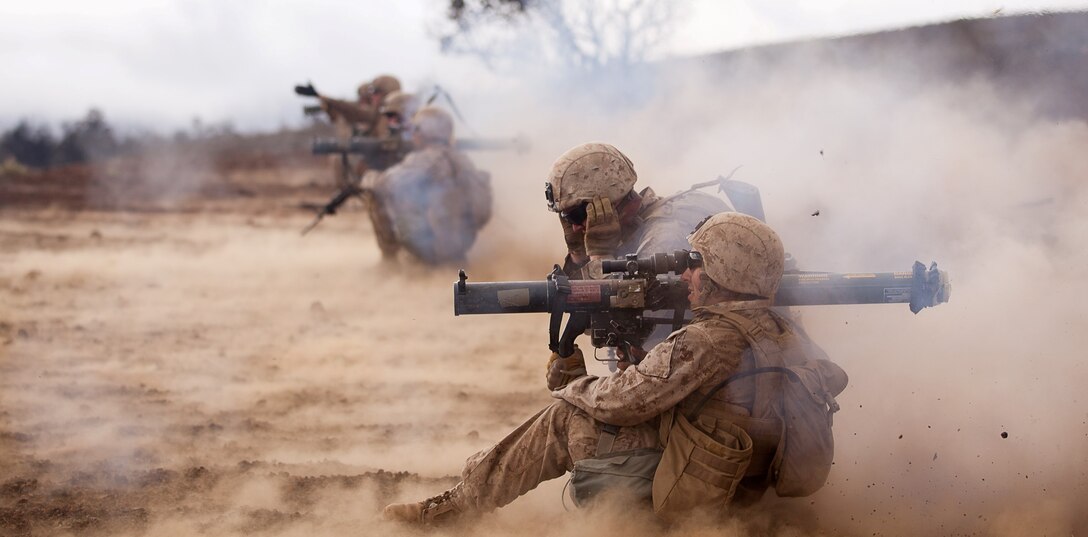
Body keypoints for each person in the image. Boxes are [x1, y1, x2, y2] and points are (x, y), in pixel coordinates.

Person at [382, 212, 840, 525]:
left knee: (568, 418)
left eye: (695, 265)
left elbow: (622, 402)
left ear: (724, 274)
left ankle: (454, 510)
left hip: (700, 493)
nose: (685, 276)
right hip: (743, 483)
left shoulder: (708, 340)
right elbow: (705, 397)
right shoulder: (784, 330)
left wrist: (572, 386)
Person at [361, 106, 492, 264]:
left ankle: (390, 260)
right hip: (462, 246)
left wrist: (371, 177)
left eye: (415, 130)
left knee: (372, 187)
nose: (413, 135)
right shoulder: (463, 160)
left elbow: (385, 184)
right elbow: (483, 213)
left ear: (423, 132)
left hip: (430, 248)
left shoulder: (422, 160)